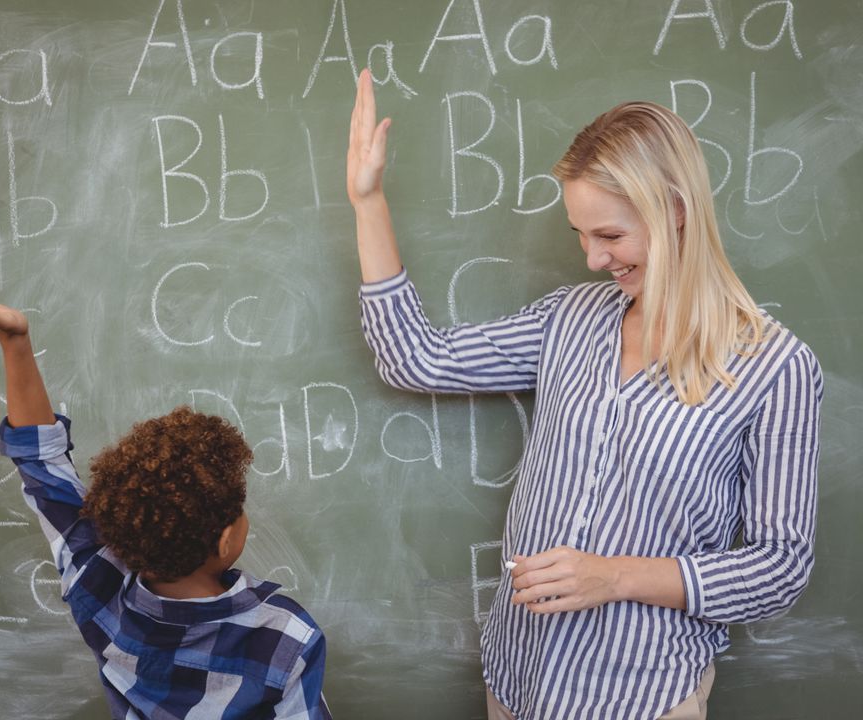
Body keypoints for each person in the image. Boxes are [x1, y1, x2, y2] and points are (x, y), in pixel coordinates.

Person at [347, 69, 822, 720]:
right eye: (581, 235)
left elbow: (779, 569)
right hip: (520, 679)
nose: (594, 259)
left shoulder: (776, 367)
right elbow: (415, 360)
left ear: (676, 211)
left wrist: (616, 575)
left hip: (642, 695)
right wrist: (368, 202)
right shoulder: (569, 319)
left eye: (611, 236)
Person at [0, 275, 331, 720]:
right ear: (226, 540)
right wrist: (17, 341)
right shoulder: (287, 636)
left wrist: (15, 344)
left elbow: (42, 465)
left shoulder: (98, 585)